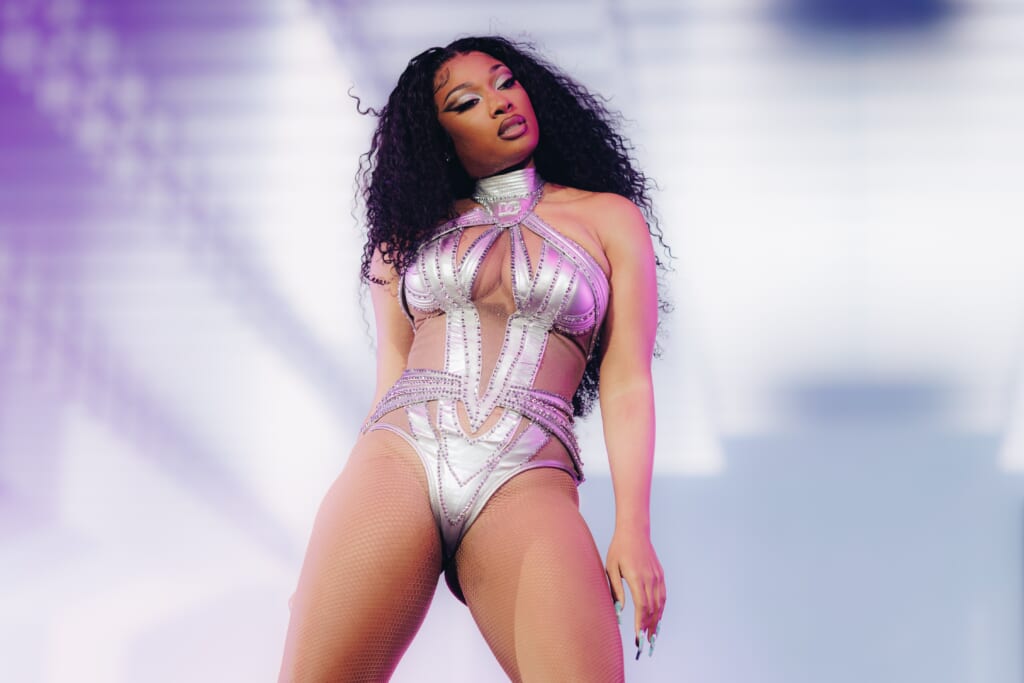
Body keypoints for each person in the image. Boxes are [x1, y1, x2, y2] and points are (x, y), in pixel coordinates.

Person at [279, 35, 669, 682]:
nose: (499, 103)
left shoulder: (610, 219)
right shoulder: (402, 238)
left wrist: (634, 525)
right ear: (439, 138)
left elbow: (627, 378)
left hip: (529, 472)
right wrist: (332, 547)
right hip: (398, 457)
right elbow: (390, 377)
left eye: (505, 82)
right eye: (465, 102)